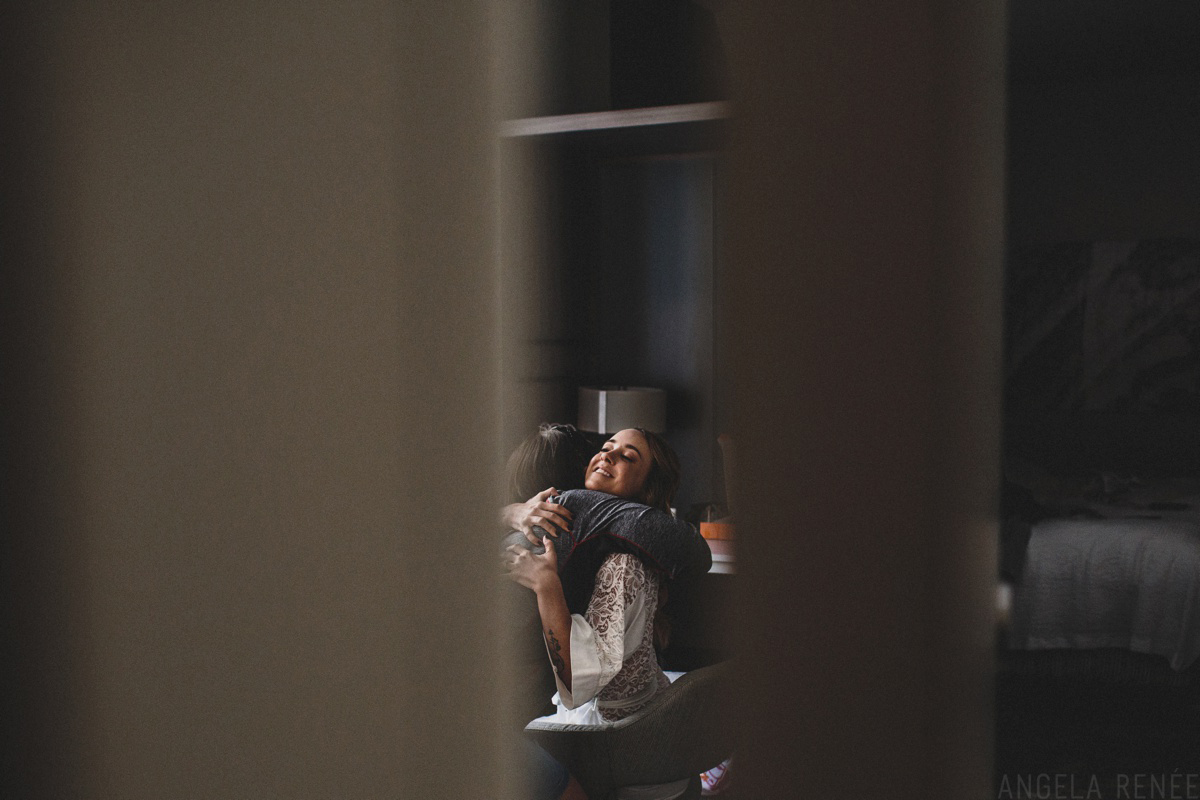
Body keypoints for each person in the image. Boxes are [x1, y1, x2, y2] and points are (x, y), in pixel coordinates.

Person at [504, 428, 699, 727]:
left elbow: (576, 685)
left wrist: (546, 584)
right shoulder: (583, 541)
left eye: (627, 457)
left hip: (614, 735)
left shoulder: (624, 563)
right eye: (606, 447)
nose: (607, 455)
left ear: (647, 486)